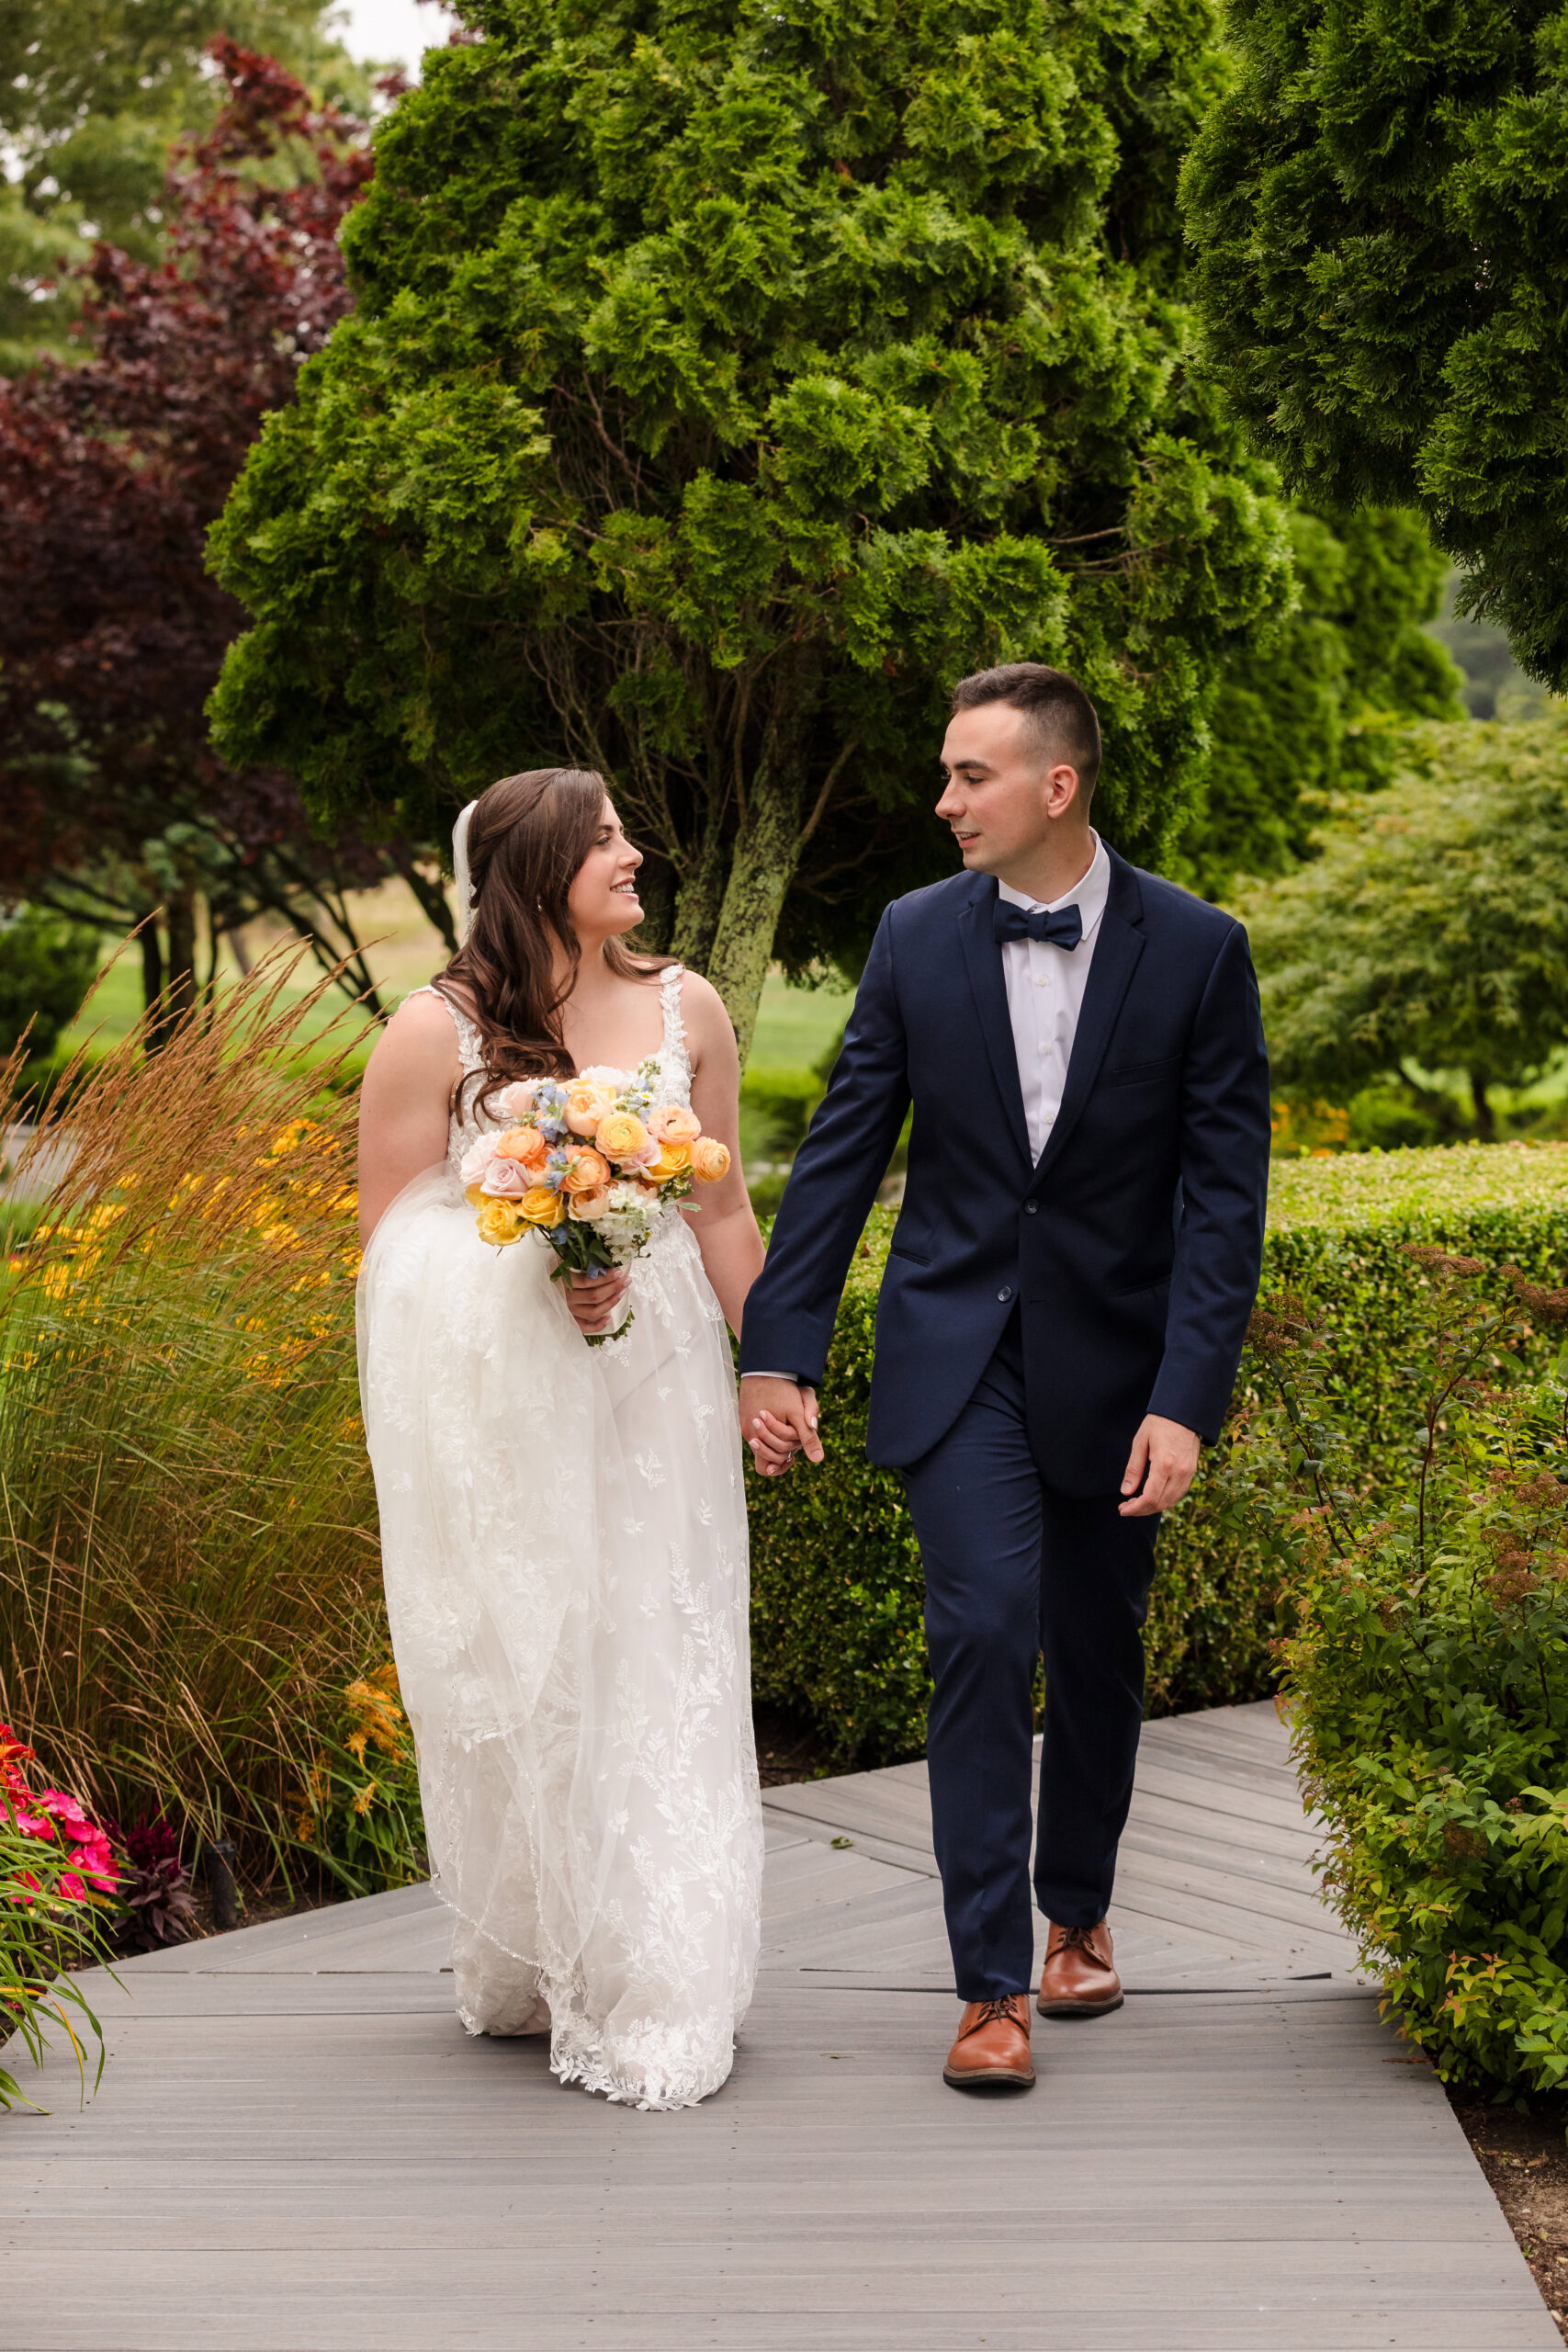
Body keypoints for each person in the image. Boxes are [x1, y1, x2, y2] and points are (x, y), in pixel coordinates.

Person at [737, 664, 1270, 2091]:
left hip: (1118, 1369)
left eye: (971, 776)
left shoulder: (1202, 949)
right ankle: (988, 1991)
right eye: (945, 773)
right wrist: (779, 1348)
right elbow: (845, 1150)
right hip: (954, 1356)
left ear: (1058, 784)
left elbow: (1225, 1201)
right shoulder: (914, 936)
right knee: (980, 1634)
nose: (944, 800)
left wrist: (1186, 1397)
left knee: (1098, 1654)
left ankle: (1077, 1909)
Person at [355, 767, 766, 2110]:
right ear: (534, 869)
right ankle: (537, 1942)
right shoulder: (432, 1033)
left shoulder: (684, 1004)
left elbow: (719, 1214)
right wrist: (537, 1266)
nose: (635, 853)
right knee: (542, 1660)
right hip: (505, 1400)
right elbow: (387, 1256)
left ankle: (658, 1973)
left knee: (660, 1646)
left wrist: (774, 1368)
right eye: (605, 841)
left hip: (658, 1386)